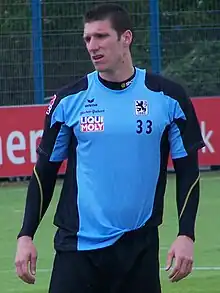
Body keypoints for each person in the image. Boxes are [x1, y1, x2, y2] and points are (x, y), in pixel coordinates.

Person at [15, 3, 205, 293]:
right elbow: (44, 173)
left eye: (101, 36)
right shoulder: (68, 101)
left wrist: (186, 234)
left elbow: (189, 172)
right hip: (77, 248)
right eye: (87, 38)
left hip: (139, 249)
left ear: (126, 38)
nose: (93, 46)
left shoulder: (169, 98)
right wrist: (26, 235)